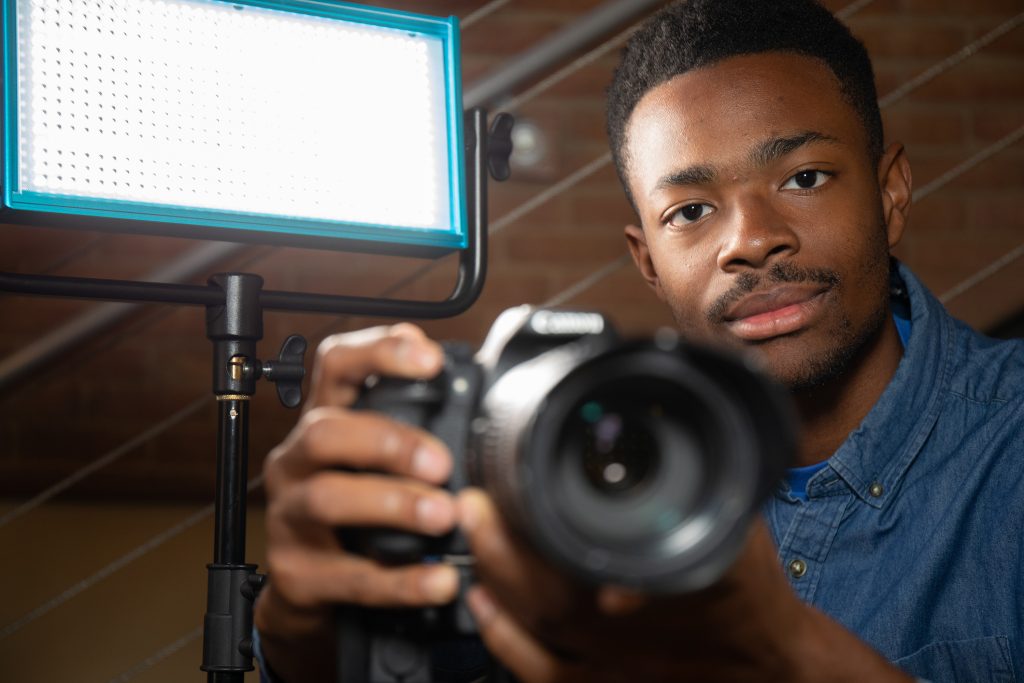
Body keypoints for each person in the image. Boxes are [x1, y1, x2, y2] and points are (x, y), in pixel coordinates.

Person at [253, 1, 1024, 681]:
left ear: (892, 195)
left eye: (804, 178)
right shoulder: (555, 454)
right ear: (646, 260)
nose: (750, 241)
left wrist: (786, 655)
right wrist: (302, 629)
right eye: (689, 212)